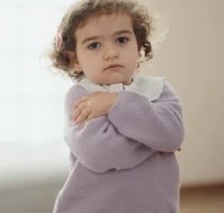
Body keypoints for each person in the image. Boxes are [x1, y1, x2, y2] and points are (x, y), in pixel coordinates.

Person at [49, 0, 185, 212]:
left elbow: (174, 134)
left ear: (138, 46)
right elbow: (102, 154)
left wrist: (116, 102)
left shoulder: (159, 90)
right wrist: (157, 139)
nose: (111, 52)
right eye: (94, 45)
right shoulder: (80, 98)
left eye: (122, 40)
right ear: (74, 59)